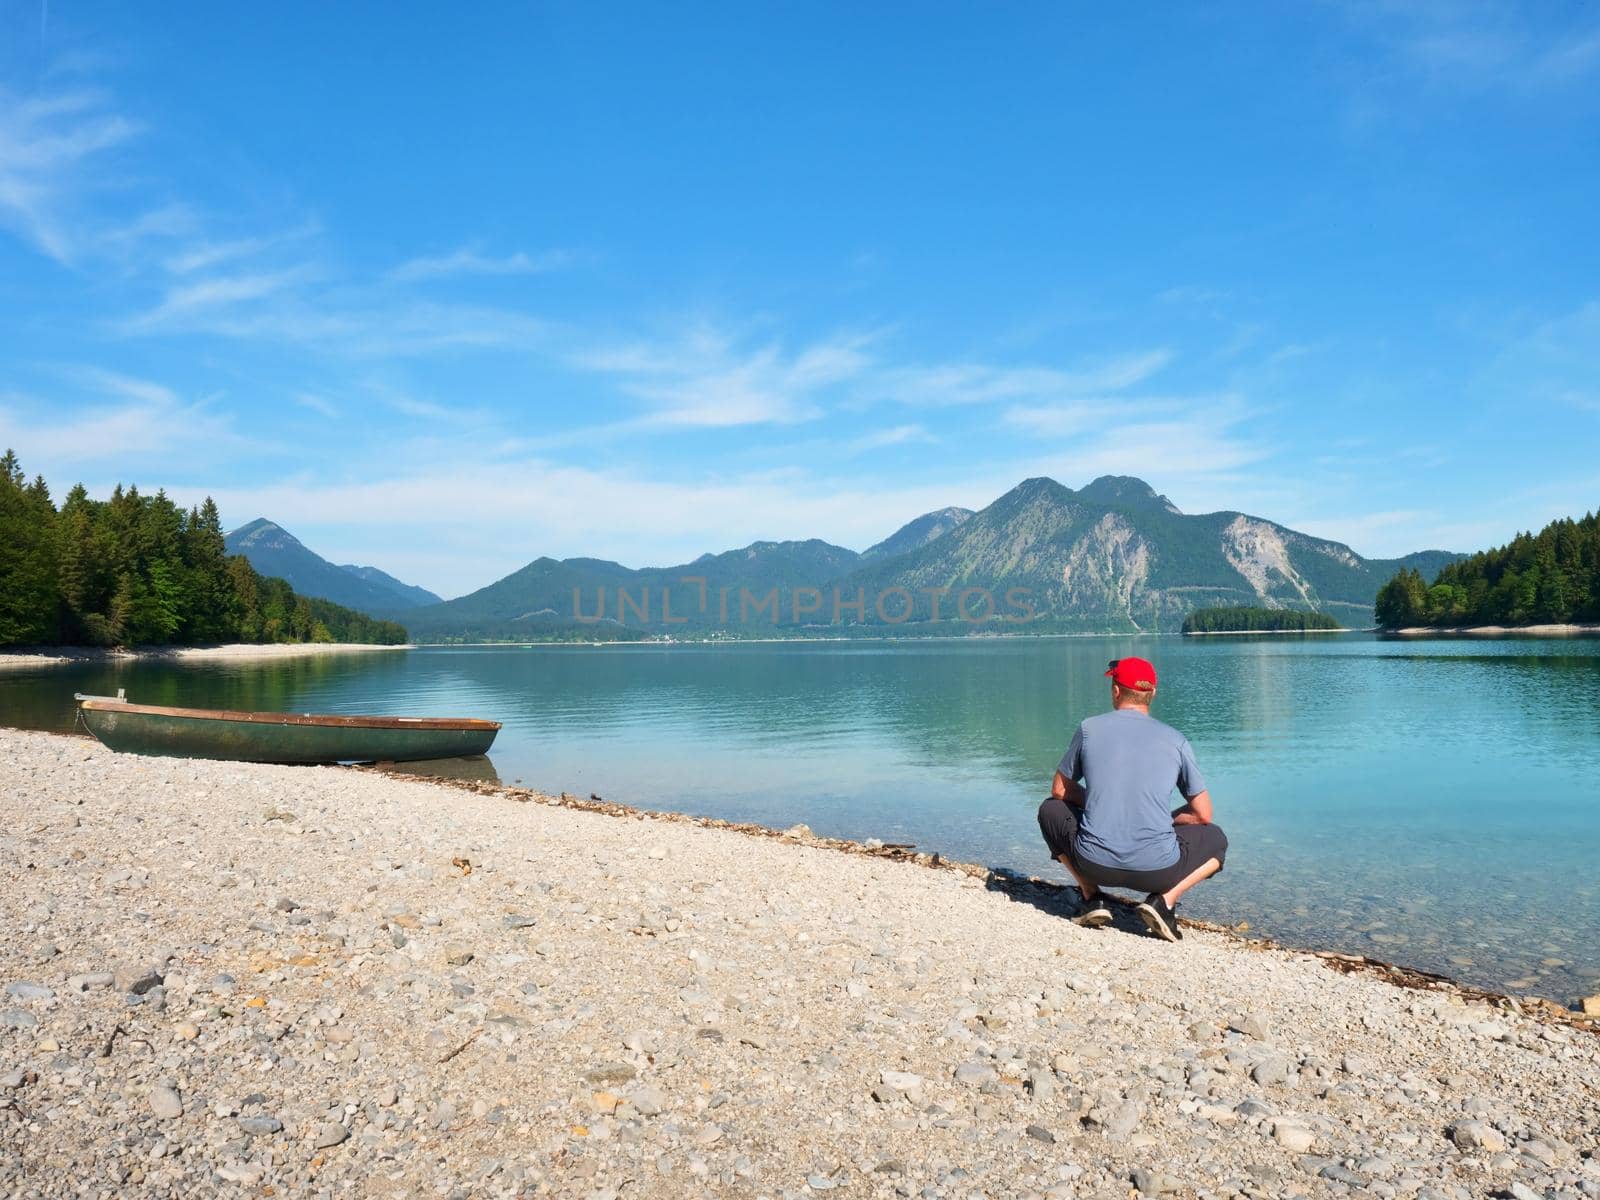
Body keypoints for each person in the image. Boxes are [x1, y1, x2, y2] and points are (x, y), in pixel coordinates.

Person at [1036, 656, 1227, 942]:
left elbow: (1060, 791)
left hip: (1093, 862)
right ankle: (1164, 902)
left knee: (1050, 810)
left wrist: (1097, 803)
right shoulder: (1176, 740)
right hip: (1158, 871)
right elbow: (1203, 814)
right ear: (1152, 694)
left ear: (1115, 691)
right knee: (1216, 839)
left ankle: (1091, 896)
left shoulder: (1090, 729)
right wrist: (1166, 819)